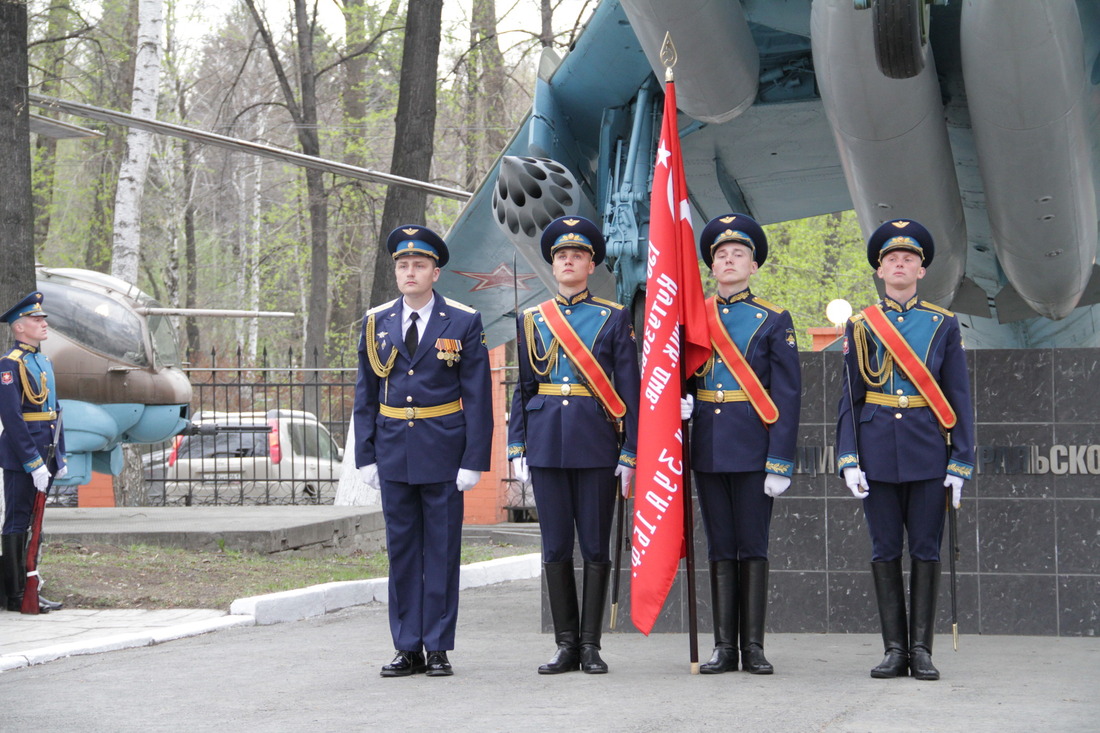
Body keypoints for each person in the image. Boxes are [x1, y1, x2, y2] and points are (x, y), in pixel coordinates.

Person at [836, 219, 974, 681]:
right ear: (879, 270)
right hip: (875, 449)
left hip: (927, 448)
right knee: (883, 550)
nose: (900, 264)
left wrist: (960, 460)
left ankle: (922, 649)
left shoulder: (942, 324)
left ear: (921, 270)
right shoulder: (859, 325)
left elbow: (959, 396)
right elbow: (850, 400)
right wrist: (848, 457)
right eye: (892, 259)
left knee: (926, 550)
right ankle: (894, 649)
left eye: (909, 259)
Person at [352, 225, 493, 678]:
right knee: (403, 551)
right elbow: (365, 395)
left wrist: (474, 461)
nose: (409, 271)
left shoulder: (464, 320)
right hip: (394, 450)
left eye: (418, 265)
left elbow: (478, 396)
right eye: (402, 264)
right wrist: (366, 455)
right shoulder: (377, 322)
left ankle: (438, 646)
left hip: (444, 450)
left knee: (442, 551)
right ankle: (406, 645)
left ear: (436, 271)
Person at [508, 215, 640, 675]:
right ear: (552, 264)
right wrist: (517, 446)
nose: (568, 261)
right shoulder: (531, 319)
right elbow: (523, 389)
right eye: (561, 255)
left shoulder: (613, 317)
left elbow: (629, 389)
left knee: (596, 547)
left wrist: (630, 451)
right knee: (556, 546)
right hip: (546, 446)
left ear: (590, 264)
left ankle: (591, 645)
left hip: (596, 444)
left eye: (577, 255)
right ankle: (565, 644)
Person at [682, 214, 801, 675]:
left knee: (752, 545)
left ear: (754, 266)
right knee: (719, 546)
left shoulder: (773, 320)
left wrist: (780, 460)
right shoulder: (695, 318)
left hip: (754, 446)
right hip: (709, 444)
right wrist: (683, 401)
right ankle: (723, 647)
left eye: (738, 255)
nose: (728, 260)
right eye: (720, 255)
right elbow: (682, 374)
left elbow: (788, 396)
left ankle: (752, 646)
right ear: (712, 267)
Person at [0, 291, 67, 613]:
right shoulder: (8, 365)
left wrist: (60, 456)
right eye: (36, 320)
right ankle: (15, 593)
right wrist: (33, 462)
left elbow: (55, 413)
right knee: (18, 520)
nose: (43, 324)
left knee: (36, 522)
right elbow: (12, 419)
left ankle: (32, 584)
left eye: (43, 319)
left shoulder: (43, 361)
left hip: (47, 453)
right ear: (19, 328)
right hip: (23, 456)